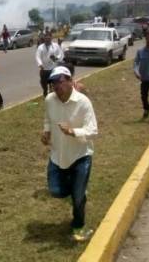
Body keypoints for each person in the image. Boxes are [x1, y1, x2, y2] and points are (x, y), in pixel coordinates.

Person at [41, 66, 98, 242]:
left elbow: (93, 131)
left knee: (78, 196)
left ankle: (78, 225)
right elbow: (47, 119)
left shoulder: (83, 102)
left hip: (80, 155)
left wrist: (73, 131)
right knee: (56, 191)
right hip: (58, 156)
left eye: (59, 82)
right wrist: (46, 131)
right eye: (52, 83)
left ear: (69, 81)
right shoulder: (50, 100)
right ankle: (77, 192)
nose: (56, 87)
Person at [35, 32, 64, 97]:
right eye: (46, 38)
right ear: (44, 38)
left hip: (53, 68)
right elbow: (37, 56)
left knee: (54, 81)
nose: (47, 39)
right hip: (44, 68)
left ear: (51, 38)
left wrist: (56, 58)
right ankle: (45, 91)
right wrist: (40, 64)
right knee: (43, 82)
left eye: (49, 38)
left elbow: (60, 54)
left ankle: (53, 92)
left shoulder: (55, 46)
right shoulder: (40, 47)